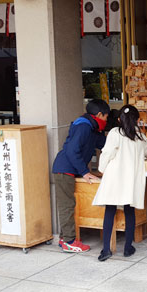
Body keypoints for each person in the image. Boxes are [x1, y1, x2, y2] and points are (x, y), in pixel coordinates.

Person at [92, 104, 147, 261]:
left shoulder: (115, 133)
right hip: (131, 180)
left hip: (114, 177)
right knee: (129, 211)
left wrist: (101, 169)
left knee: (110, 211)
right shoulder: (139, 137)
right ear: (137, 120)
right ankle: (128, 247)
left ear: (119, 119)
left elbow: (107, 153)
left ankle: (106, 249)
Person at [53, 99, 110, 253]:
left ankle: (65, 239)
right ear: (99, 114)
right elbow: (71, 150)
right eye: (106, 117)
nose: (106, 121)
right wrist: (85, 172)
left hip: (70, 170)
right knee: (67, 206)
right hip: (64, 170)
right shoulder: (83, 126)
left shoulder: (91, 128)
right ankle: (70, 241)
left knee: (70, 205)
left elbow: (105, 144)